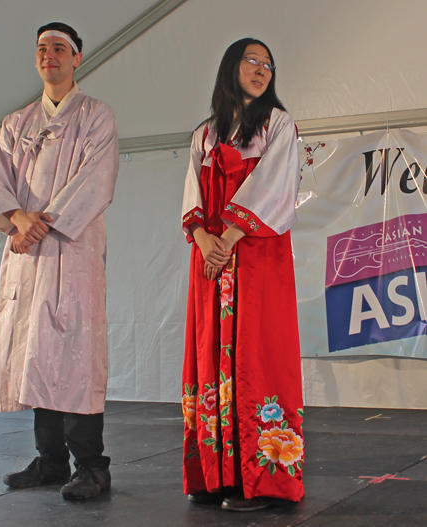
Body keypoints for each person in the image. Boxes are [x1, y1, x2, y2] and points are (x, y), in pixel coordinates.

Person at [0, 22, 119, 501]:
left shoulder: (96, 116)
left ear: (77, 57)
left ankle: (92, 466)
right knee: (37, 353)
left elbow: (97, 180)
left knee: (74, 356)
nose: (49, 55)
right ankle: (52, 460)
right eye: (42, 48)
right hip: (27, 250)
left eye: (59, 48)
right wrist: (18, 218)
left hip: (70, 250)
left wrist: (42, 224)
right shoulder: (16, 124)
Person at [181, 38, 304, 512]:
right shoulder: (206, 133)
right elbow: (191, 190)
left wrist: (228, 237)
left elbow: (276, 187)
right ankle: (216, 476)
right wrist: (200, 236)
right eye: (252, 60)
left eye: (269, 64)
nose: (262, 69)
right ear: (232, 65)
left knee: (257, 355)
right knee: (211, 354)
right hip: (211, 258)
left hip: (256, 257)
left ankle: (261, 480)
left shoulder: (278, 124)